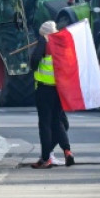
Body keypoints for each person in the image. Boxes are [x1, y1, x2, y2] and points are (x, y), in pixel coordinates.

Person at [29, 21, 75, 169]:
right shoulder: (62, 46)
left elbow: (34, 62)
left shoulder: (44, 44)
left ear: (44, 34)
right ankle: (67, 151)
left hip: (44, 90)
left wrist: (41, 44)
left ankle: (45, 157)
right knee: (58, 122)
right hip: (59, 90)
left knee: (45, 124)